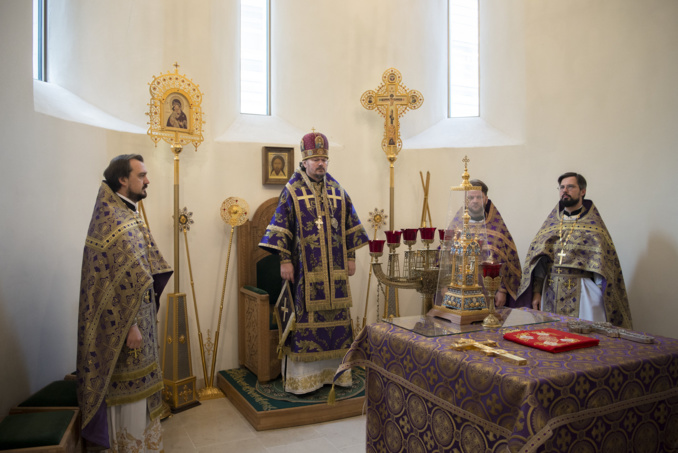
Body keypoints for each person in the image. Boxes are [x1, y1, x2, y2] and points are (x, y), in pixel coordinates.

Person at [259, 130, 368, 394]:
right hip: (306, 275)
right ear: (304, 160)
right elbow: (281, 227)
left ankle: (337, 376)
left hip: (337, 275)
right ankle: (304, 381)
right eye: (316, 159)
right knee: (305, 324)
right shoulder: (292, 191)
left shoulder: (337, 190)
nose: (321, 164)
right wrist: (284, 260)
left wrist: (351, 256)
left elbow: (349, 225)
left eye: (324, 159)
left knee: (339, 324)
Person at [76, 154, 172, 451]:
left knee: (142, 392)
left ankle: (142, 445)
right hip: (124, 328)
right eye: (141, 175)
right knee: (127, 394)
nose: (147, 180)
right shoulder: (110, 219)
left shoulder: (128, 212)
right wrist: (129, 325)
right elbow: (107, 281)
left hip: (141, 320)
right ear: (123, 179)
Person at [517, 172, 632, 328]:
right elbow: (540, 262)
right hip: (550, 289)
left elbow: (603, 266)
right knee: (550, 336)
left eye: (570, 187)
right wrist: (537, 292)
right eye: (562, 187)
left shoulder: (594, 226)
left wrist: (600, 296)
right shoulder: (550, 225)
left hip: (583, 292)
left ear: (582, 191)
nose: (565, 190)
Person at [450, 179, 523, 307]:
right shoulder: (456, 227)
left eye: (479, 197)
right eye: (471, 197)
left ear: (486, 199)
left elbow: (508, 261)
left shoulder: (498, 227)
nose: (475, 201)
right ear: (466, 200)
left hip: (490, 293)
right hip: (459, 292)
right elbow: (445, 258)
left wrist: (502, 290)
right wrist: (446, 288)